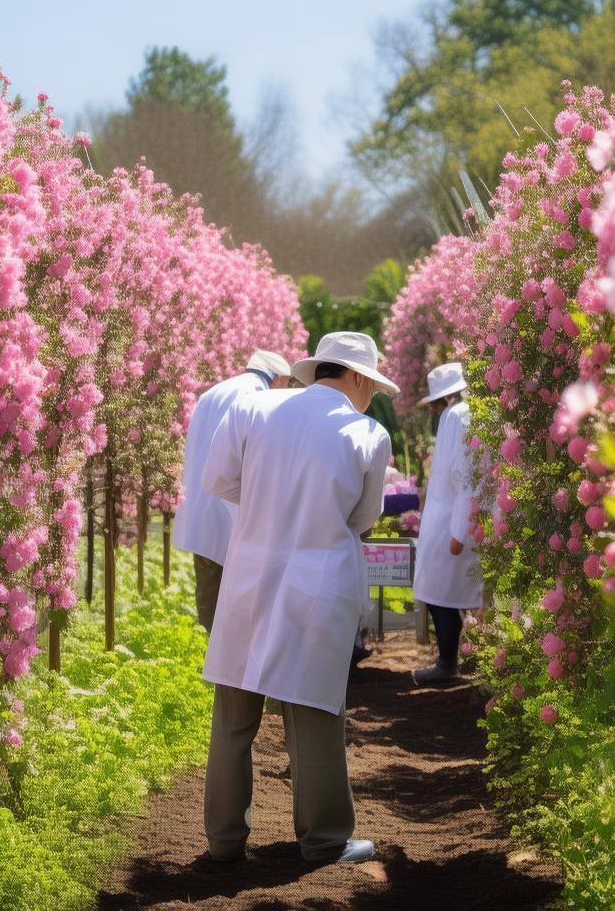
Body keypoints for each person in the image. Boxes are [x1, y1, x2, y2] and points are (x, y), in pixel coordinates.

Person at [200, 331, 398, 865]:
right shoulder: (367, 433)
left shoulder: (256, 409)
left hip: (249, 574)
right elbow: (362, 519)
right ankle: (324, 840)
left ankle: (223, 840)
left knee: (234, 713)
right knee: (312, 712)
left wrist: (269, 500)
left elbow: (218, 479)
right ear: (356, 376)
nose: (372, 396)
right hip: (319, 582)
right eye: (372, 386)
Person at [172, 350, 291, 631]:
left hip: (201, 507)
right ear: (278, 379)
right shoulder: (259, 399)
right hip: (235, 507)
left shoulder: (213, 393)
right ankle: (230, 669)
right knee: (240, 605)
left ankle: (207, 662)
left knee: (209, 595)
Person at [411, 362, 482, 685]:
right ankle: (454, 662)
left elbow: (463, 476)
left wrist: (458, 532)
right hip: (454, 515)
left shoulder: (457, 415)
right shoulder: (464, 413)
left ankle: (447, 664)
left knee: (441, 594)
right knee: (447, 593)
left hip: (452, 519)